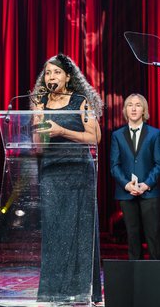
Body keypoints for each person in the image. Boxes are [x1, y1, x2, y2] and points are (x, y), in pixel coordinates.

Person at [30, 53, 103, 304]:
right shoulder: (40, 104)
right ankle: (53, 292)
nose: (51, 77)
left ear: (68, 77)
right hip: (51, 173)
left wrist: (62, 131)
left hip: (79, 173)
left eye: (56, 72)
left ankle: (82, 291)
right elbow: (38, 148)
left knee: (80, 233)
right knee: (54, 234)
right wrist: (38, 115)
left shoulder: (81, 101)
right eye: (48, 73)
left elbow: (95, 137)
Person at [110, 93, 160, 260]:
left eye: (138, 105)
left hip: (149, 192)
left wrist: (146, 185)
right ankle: (137, 278)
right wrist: (127, 185)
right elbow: (114, 165)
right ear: (125, 110)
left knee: (153, 236)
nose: (133, 108)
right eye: (130, 105)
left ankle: (157, 276)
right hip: (127, 193)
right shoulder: (117, 135)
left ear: (144, 110)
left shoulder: (155, 134)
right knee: (133, 237)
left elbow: (159, 164)